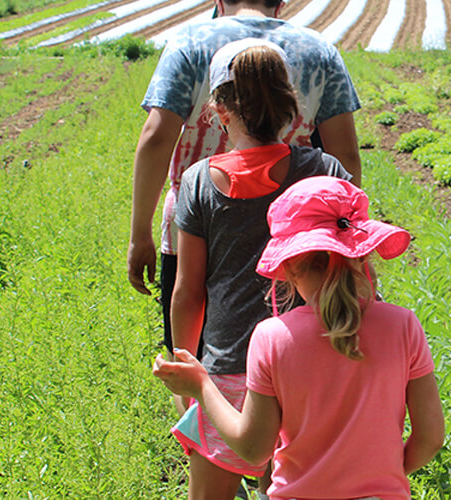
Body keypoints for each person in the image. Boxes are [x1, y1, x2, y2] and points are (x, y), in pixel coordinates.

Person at [155, 175, 445, 500]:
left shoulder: (272, 338)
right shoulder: (403, 325)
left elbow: (254, 449)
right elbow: (431, 437)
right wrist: (380, 476)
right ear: (361, 253)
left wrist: (202, 386)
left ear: (289, 266)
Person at [166, 40, 353, 499]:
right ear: (289, 103)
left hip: (228, 370)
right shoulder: (323, 170)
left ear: (219, 110)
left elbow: (189, 293)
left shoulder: (197, 184)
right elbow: (351, 269)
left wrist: (186, 371)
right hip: (309, 367)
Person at [127, 0, 362, 357]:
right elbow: (344, 155)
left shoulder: (189, 42)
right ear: (280, 5)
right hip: (296, 237)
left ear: (219, 3)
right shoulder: (318, 51)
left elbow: (157, 137)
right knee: (295, 354)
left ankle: (202, 406)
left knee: (199, 345)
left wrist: (139, 232)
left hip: (198, 228)